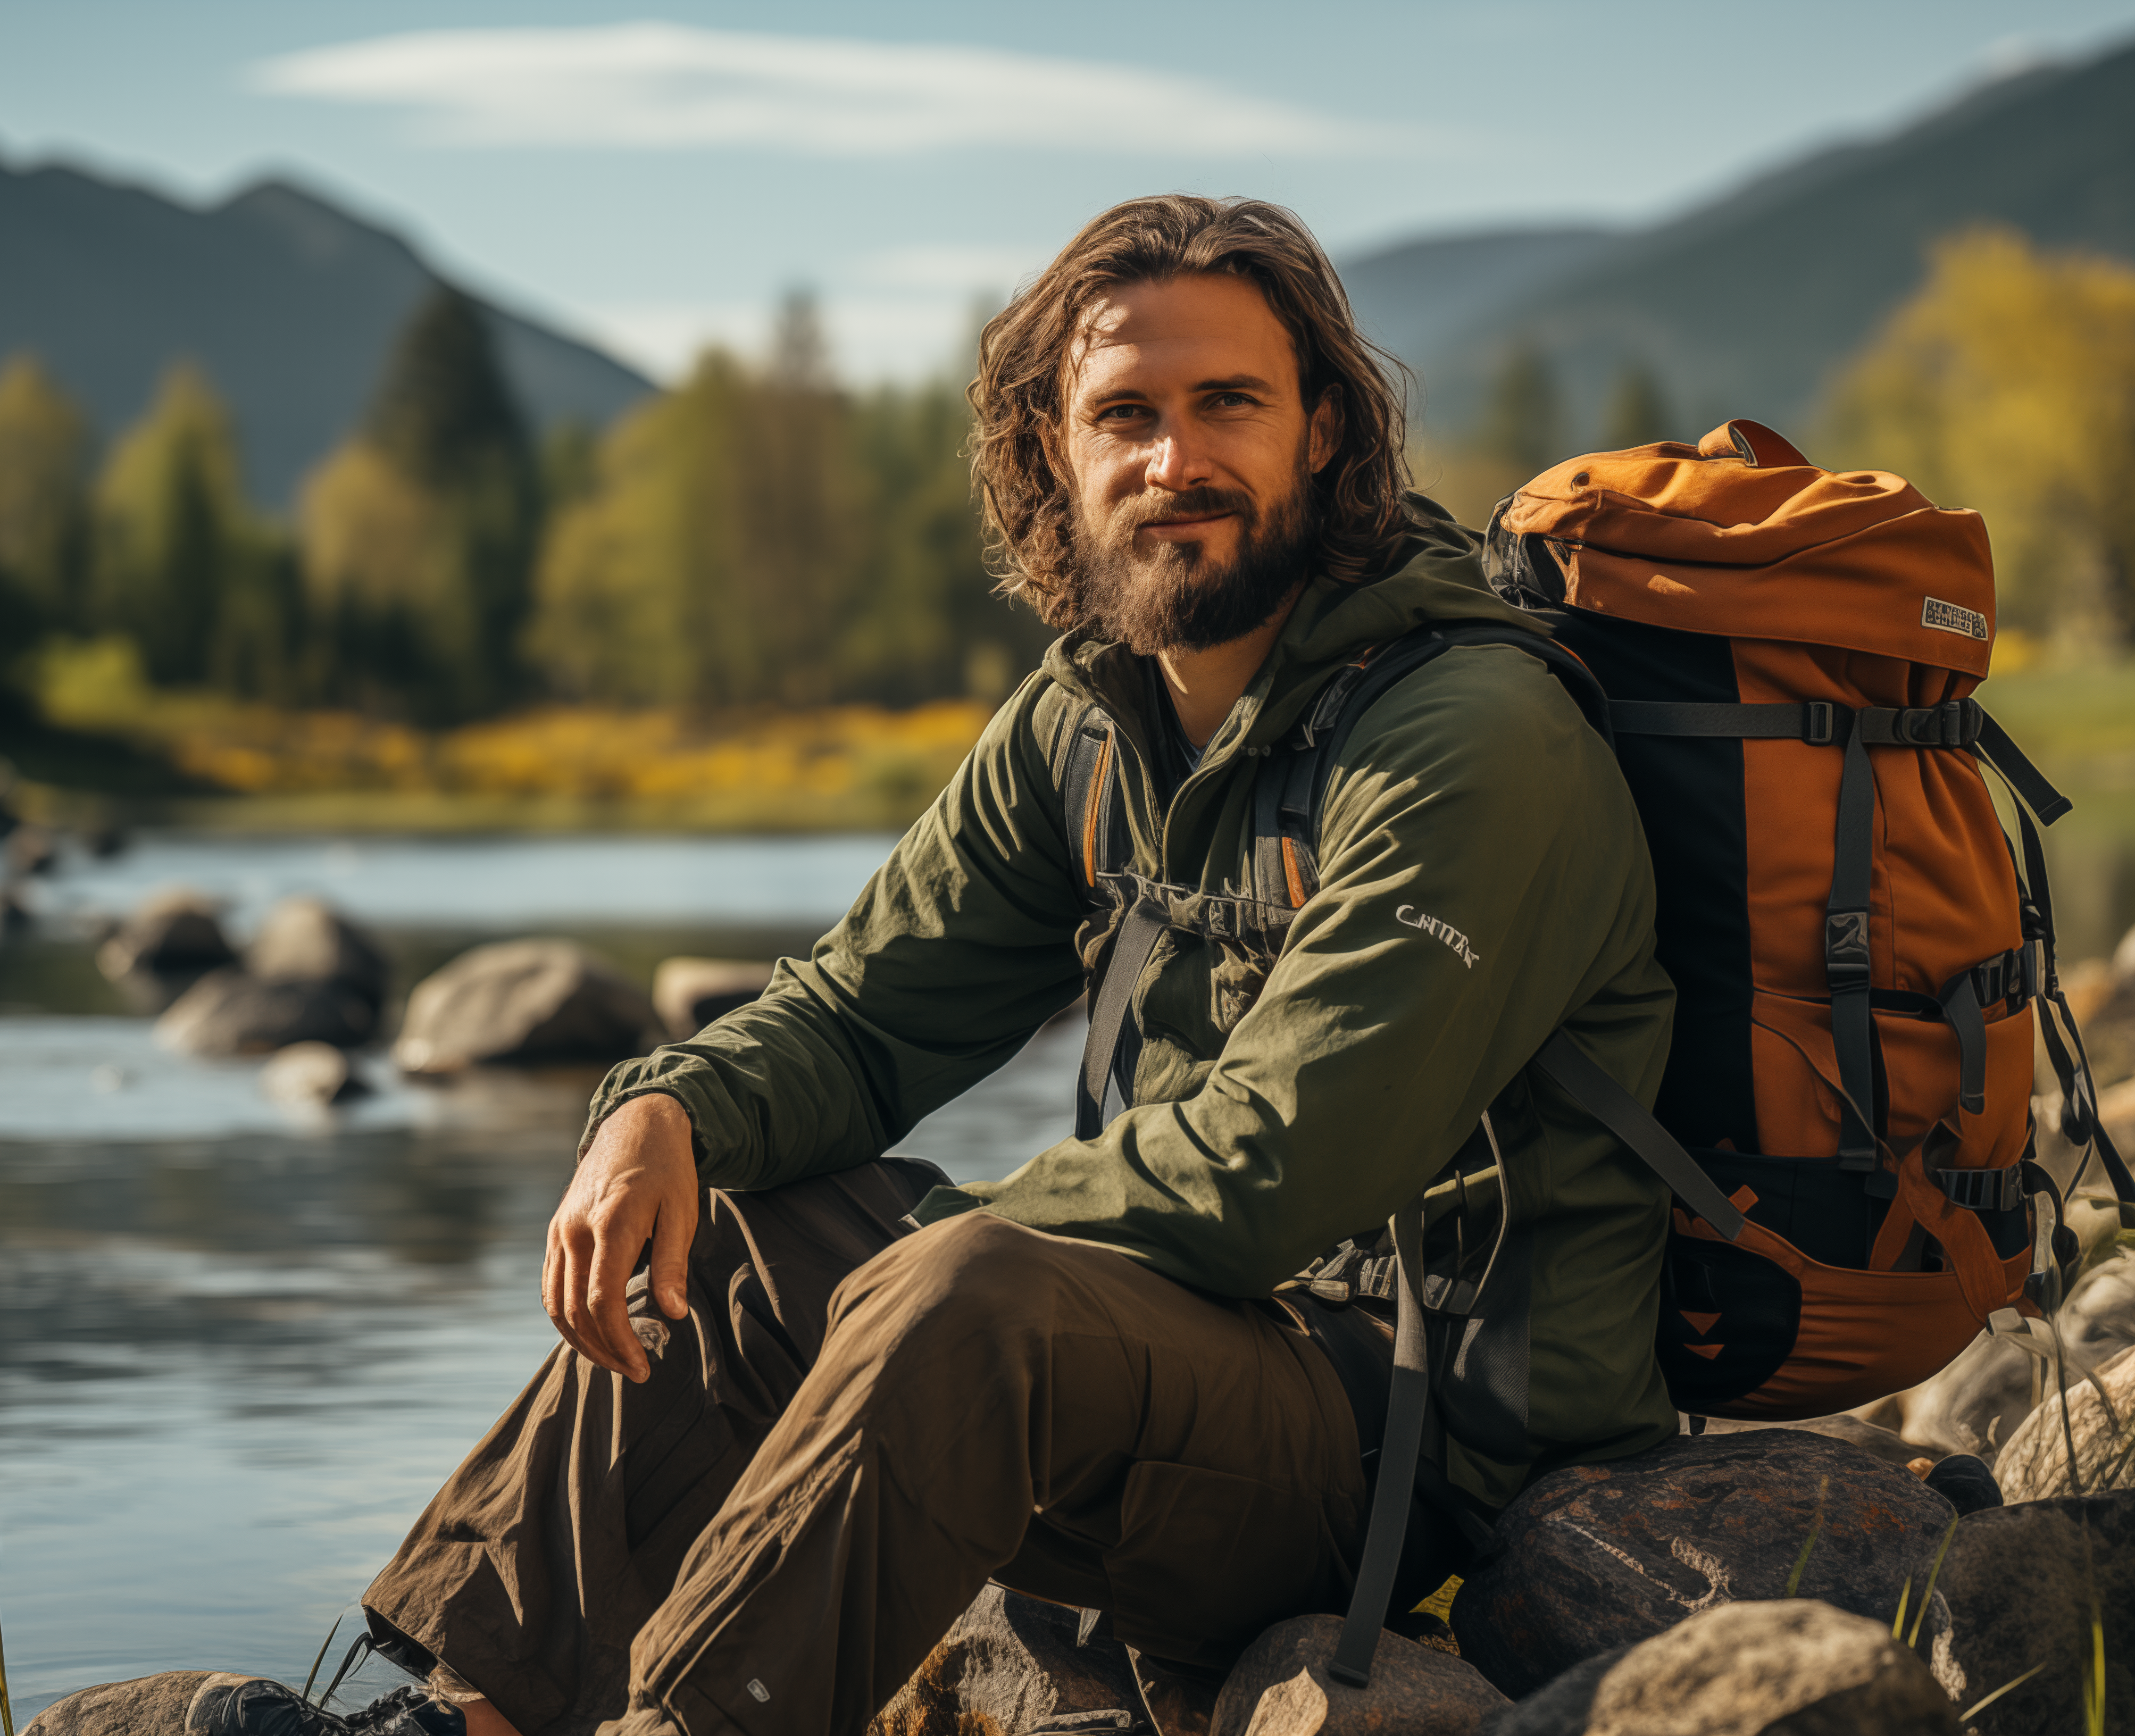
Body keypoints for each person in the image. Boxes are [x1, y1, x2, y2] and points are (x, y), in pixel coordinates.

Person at [354, 194, 1678, 1736]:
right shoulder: (1090, 722)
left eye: (1228, 405)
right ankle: (475, 1716)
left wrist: (935, 1268)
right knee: (739, 1229)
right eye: (1125, 413)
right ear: (1054, 449)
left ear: (1326, 432)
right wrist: (672, 1110)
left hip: (1430, 1444)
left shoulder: (1471, 738)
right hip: (1204, 1356)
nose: (1174, 461)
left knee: (964, 1294)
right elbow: (861, 1014)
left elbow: (1276, 1173)